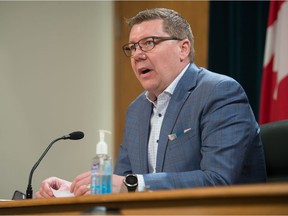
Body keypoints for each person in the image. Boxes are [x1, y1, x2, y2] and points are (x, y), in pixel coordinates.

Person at [35, 8, 266, 198]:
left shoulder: (219, 92)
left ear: (183, 48)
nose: (137, 55)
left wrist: (131, 184)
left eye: (149, 43)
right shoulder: (137, 110)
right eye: (133, 47)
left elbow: (218, 181)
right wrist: (76, 190)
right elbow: (120, 183)